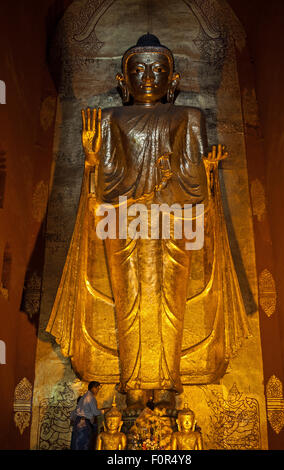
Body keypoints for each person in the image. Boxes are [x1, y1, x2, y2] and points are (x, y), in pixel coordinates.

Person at [47, 33, 250, 411]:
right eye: (138, 70)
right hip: (123, 221)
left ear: (173, 79)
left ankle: (169, 382)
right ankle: (133, 383)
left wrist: (205, 171)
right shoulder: (110, 119)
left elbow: (191, 180)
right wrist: (92, 157)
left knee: (171, 302)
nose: (148, 77)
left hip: (174, 220)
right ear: (124, 80)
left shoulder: (189, 117)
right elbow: (106, 183)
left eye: (158, 69)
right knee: (129, 301)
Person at [70, 381, 102, 450]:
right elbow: (95, 412)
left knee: (77, 444)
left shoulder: (85, 396)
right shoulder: (90, 397)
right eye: (97, 388)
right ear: (93, 388)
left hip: (80, 422)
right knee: (84, 444)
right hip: (83, 423)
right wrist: (104, 410)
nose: (98, 390)